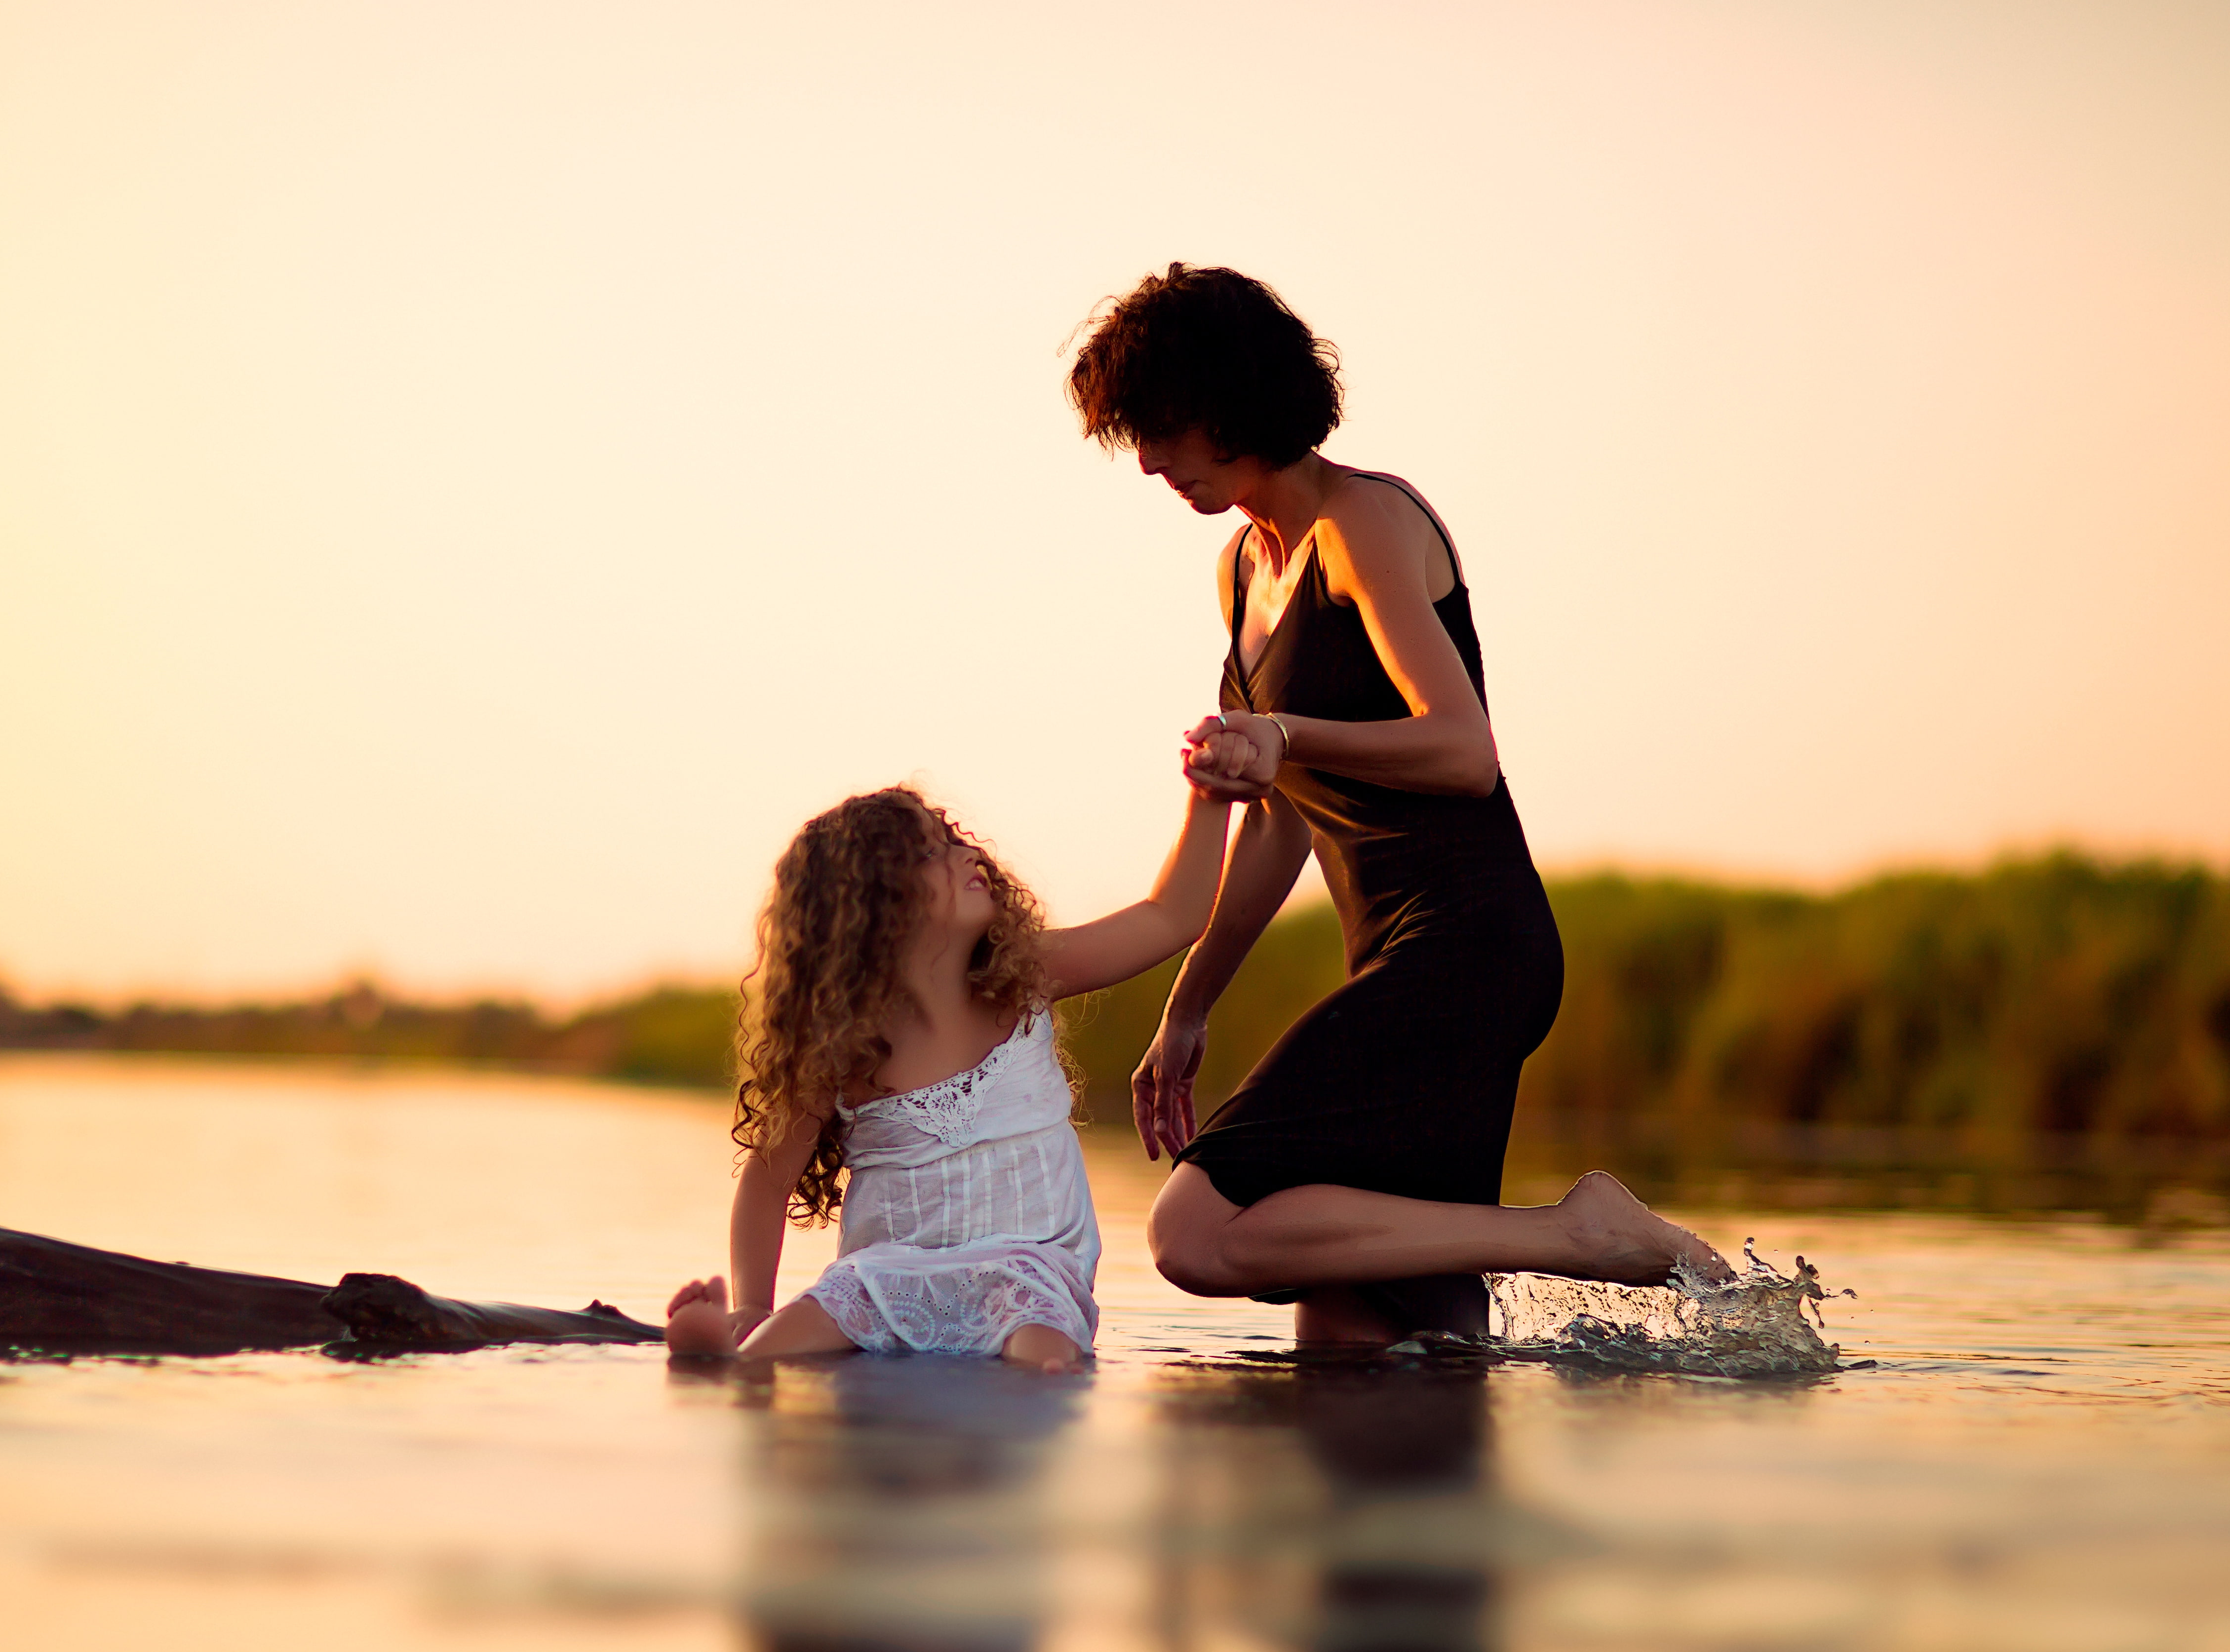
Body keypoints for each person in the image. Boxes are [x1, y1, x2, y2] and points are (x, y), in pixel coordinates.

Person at [1067, 264, 1724, 1345]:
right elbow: (1283, 822)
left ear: (1229, 398)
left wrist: (1283, 735)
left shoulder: (1362, 523)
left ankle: (1575, 1234)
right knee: (1368, 1342)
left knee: (1196, 1232)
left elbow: (1463, 751)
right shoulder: (1242, 568)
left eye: (1163, 427)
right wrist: (1191, 1006)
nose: (1147, 460)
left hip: (1469, 950)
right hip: (1399, 960)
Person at [663, 784, 1232, 1368]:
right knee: (772, 1347)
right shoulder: (845, 1049)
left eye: (958, 842)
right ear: (872, 901)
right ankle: (721, 1350)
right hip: (884, 1280)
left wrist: (1209, 798)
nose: (969, 855)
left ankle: (737, 1351)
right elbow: (765, 1181)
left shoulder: (1025, 979)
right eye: (933, 852)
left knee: (1049, 1358)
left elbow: (1172, 917)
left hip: (1026, 1275)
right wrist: (753, 1308)